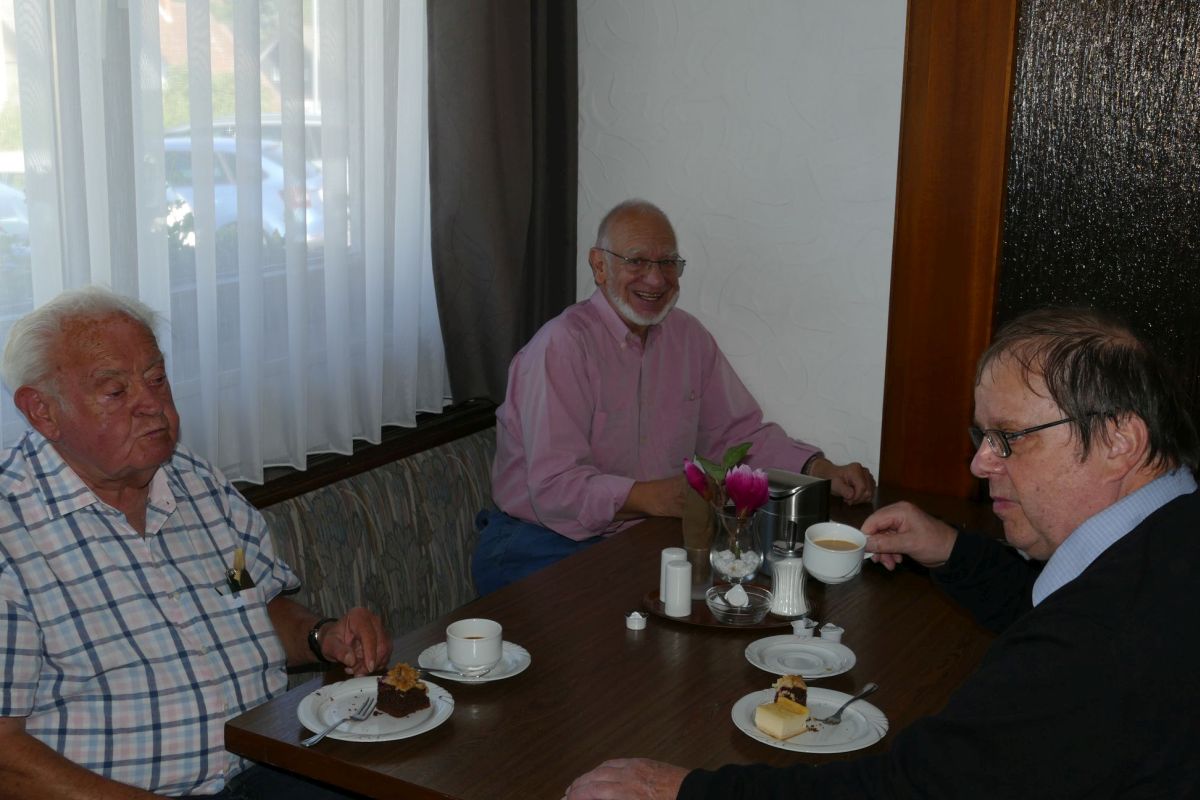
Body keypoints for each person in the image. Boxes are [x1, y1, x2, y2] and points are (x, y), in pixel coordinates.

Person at [563, 306, 1200, 799]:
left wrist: (682, 792)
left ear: (1119, 441)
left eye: (1009, 438)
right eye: (982, 437)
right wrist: (951, 551)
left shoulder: (1102, 640)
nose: (980, 463)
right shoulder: (1164, 542)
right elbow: (1048, 608)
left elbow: (912, 790)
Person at [0, 287, 392, 798]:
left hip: (270, 764)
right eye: (115, 392)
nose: (152, 406)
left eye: (157, 379)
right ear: (42, 411)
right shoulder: (11, 533)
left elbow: (246, 599)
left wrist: (323, 636)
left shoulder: (194, 481)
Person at [473, 199, 876, 594]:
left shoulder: (688, 338)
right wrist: (653, 497)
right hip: (536, 543)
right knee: (642, 621)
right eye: (637, 261)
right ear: (599, 265)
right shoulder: (561, 347)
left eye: (668, 263)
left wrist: (819, 470)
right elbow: (554, 488)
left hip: (642, 535)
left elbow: (738, 437)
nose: (656, 279)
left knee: (758, 590)